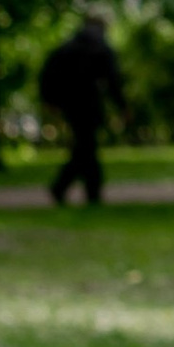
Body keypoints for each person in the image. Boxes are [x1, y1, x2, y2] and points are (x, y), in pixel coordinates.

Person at [38, 12, 124, 206]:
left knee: (85, 146)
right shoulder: (101, 48)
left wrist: (49, 100)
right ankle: (79, 189)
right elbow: (113, 81)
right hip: (89, 103)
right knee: (87, 147)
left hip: (70, 103)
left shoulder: (66, 48)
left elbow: (47, 74)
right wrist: (122, 106)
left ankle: (74, 188)